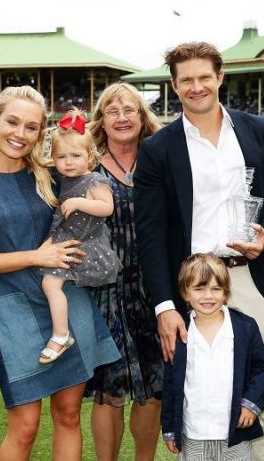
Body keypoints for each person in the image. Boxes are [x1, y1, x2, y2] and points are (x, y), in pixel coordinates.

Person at [134, 41, 264, 460]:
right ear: (174, 85)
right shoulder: (158, 149)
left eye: (204, 77)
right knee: (194, 386)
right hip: (189, 283)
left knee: (248, 385)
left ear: (220, 77)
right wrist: (164, 307)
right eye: (186, 79)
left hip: (248, 274)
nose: (196, 86)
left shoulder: (257, 130)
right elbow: (150, 235)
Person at [0, 86, 120, 460]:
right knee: (24, 426)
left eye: (30, 127)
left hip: (68, 303)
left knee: (69, 415)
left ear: (40, 134)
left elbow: (97, 186)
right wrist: (35, 256)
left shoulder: (52, 175)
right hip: (12, 309)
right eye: (12, 122)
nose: (19, 134)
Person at [85, 82, 165, 461]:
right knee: (109, 388)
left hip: (154, 287)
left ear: (141, 115)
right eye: (112, 111)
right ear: (101, 119)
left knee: (153, 383)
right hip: (104, 289)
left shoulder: (160, 157)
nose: (121, 117)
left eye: (129, 109)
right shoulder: (87, 164)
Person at [162, 253, 264, 460]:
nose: (208, 296)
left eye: (215, 289)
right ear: (185, 292)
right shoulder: (178, 332)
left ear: (226, 292)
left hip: (235, 433)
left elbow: (261, 367)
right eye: (199, 289)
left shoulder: (244, 327)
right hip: (193, 434)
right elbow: (170, 384)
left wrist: (250, 404)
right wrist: (169, 428)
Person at [37, 109, 122, 365]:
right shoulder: (64, 178)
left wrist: (78, 201)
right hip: (67, 237)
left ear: (90, 157)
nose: (69, 162)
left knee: (50, 285)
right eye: (62, 157)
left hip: (86, 244)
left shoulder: (94, 180)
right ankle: (61, 333)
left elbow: (107, 208)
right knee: (49, 285)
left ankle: (61, 335)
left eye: (76, 156)